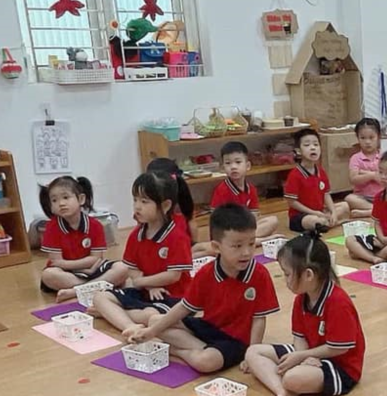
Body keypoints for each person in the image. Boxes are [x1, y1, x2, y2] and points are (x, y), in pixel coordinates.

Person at [126, 202, 277, 371]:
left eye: (251, 243)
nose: (246, 252)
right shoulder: (206, 273)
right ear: (216, 247)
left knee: (206, 362)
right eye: (237, 246)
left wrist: (251, 354)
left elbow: (259, 319)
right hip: (208, 327)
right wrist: (151, 332)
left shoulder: (259, 274)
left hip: (236, 341)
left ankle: (176, 351)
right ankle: (199, 349)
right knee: (155, 321)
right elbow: (184, 307)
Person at [243, 234, 363, 396]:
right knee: (253, 352)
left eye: (287, 274)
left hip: (340, 365)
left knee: (293, 378)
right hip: (310, 352)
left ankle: (289, 387)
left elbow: (339, 348)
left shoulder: (338, 302)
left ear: (308, 275)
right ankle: (283, 392)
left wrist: (302, 357)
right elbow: (299, 337)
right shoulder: (301, 299)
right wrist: (302, 356)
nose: (285, 280)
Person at [83, 170, 192, 337]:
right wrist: (148, 285)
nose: (137, 206)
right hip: (144, 291)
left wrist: (142, 281)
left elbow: (173, 276)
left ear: (165, 206)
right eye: (135, 200)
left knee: (152, 316)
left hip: (172, 297)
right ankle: (129, 325)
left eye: (144, 201)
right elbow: (132, 268)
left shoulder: (177, 236)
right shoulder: (136, 234)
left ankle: (113, 314)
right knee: (100, 298)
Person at [35, 175, 111, 294]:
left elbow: (96, 258)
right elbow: (56, 262)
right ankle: (94, 286)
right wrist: (84, 266)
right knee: (48, 275)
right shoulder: (51, 227)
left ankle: (77, 290)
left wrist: (88, 267)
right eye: (54, 200)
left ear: (81, 199)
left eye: (66, 197)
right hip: (65, 272)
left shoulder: (95, 225)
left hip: (91, 270)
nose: (61, 203)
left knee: (121, 268)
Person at [344, 151, 387, 267]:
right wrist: (382, 238)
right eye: (380, 172)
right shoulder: (379, 197)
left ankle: (371, 255)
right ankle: (375, 258)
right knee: (350, 240)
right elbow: (377, 222)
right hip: (381, 240)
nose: (383, 177)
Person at [207, 142, 276, 242]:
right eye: (228, 163)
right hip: (228, 229)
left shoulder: (251, 189)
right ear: (223, 168)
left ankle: (249, 240)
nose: (233, 167)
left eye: (238, 162)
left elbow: (254, 215)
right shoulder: (222, 190)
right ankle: (256, 240)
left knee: (273, 221)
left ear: (247, 166)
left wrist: (249, 225)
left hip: (245, 227)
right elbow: (215, 219)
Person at [283, 128, 341, 234]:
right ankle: (326, 223)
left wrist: (333, 212)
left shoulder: (321, 171)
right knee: (313, 220)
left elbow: (326, 194)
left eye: (316, 144)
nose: (313, 148)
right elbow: (292, 202)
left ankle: (327, 222)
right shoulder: (295, 174)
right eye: (307, 145)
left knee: (344, 207)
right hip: (301, 216)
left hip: (320, 211)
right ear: (298, 151)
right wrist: (314, 212)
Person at [342, 117, 384, 216]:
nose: (367, 142)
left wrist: (364, 172)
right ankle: (374, 210)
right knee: (349, 198)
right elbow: (353, 179)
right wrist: (372, 175)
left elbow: (382, 179)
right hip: (362, 197)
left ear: (378, 137)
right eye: (363, 138)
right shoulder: (355, 158)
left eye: (371, 137)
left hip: (382, 195)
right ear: (357, 138)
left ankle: (373, 211)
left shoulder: (383, 157)